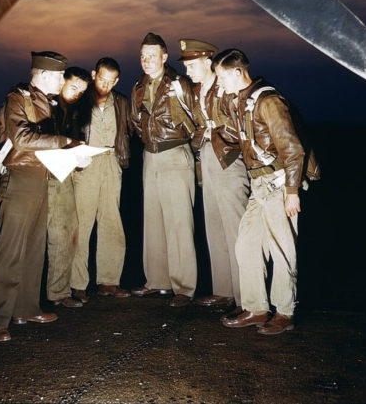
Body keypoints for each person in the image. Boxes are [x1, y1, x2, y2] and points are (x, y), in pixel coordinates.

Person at [0, 51, 82, 342]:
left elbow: (44, 145)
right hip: (19, 180)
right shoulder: (17, 99)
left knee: (33, 249)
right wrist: (66, 141)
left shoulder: (46, 102)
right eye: (57, 75)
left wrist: (72, 154)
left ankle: (26, 309)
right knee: (10, 251)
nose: (62, 80)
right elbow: (23, 139)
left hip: (41, 178)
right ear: (42, 75)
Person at [213, 49, 304, 335]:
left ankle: (284, 312)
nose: (219, 83)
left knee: (282, 250)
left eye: (221, 77)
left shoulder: (268, 101)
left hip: (277, 184)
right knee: (247, 245)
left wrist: (292, 191)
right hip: (259, 186)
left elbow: (293, 149)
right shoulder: (241, 103)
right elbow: (239, 139)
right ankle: (256, 307)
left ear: (237, 73)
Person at [178, 38, 250, 318]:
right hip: (208, 158)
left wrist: (212, 133)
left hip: (229, 160)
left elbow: (239, 124)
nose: (188, 71)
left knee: (235, 229)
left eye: (192, 65)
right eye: (185, 66)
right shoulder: (197, 90)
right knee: (215, 226)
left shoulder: (225, 88)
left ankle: (247, 297)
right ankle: (224, 290)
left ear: (208, 62)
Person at [130, 32, 198, 307]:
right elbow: (136, 122)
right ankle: (157, 281)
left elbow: (195, 119)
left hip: (174, 153)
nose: (146, 61)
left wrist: (184, 148)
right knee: (153, 220)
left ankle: (184, 287)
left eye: (152, 55)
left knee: (179, 222)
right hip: (150, 155)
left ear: (164, 57)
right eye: (143, 56)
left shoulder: (178, 83)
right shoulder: (138, 85)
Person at [70, 57, 131, 303]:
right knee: (81, 223)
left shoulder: (121, 102)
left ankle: (109, 281)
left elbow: (131, 128)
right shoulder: (80, 100)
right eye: (102, 79)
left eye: (111, 81)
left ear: (116, 80)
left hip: (111, 162)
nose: (105, 85)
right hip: (85, 162)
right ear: (94, 74)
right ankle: (76, 284)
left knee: (111, 221)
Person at [47, 66, 92, 309]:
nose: (77, 93)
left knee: (68, 232)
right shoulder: (47, 105)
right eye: (74, 86)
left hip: (62, 176)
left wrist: (79, 158)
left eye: (82, 91)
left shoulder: (74, 111)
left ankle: (59, 292)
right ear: (62, 81)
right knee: (54, 234)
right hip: (44, 177)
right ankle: (48, 294)